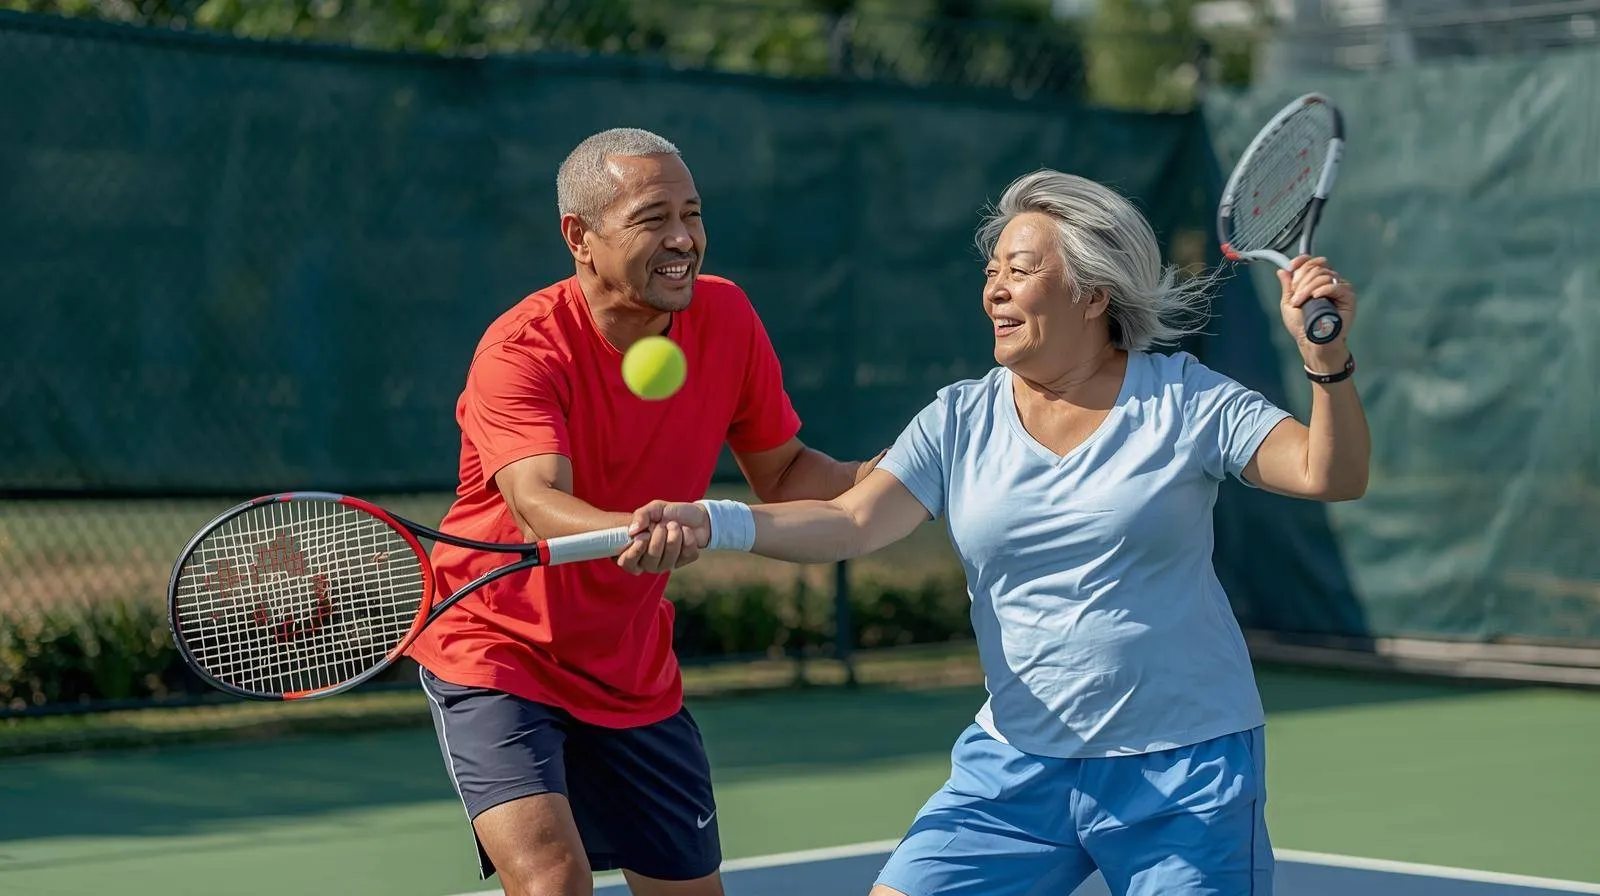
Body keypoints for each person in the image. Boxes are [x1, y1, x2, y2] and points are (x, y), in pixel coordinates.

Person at [623, 169, 1371, 896]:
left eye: (1019, 269)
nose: (994, 290)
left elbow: (1326, 473)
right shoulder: (959, 418)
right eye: (991, 271)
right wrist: (713, 521)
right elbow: (851, 520)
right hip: (1015, 765)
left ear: (1092, 293)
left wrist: (1325, 363)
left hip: (1183, 768)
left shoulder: (1184, 400)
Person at [406, 127, 879, 896]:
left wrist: (904, 472)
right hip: (497, 649)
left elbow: (789, 472)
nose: (684, 239)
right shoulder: (521, 352)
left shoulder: (725, 319)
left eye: (693, 215)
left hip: (630, 667)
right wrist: (636, 528)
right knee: (553, 881)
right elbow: (536, 502)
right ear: (579, 238)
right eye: (653, 218)